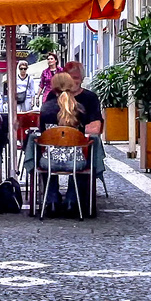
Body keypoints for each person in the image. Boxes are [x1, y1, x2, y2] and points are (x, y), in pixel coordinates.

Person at [35, 72, 94, 215]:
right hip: (75, 162)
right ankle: (71, 201)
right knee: (82, 162)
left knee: (45, 158)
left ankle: (52, 200)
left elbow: (42, 134)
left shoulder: (45, 109)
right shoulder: (79, 109)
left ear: (53, 87)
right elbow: (84, 134)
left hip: (50, 162)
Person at [62, 60, 105, 136]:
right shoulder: (53, 95)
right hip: (55, 142)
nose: (71, 81)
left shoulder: (91, 98)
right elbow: (45, 125)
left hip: (82, 143)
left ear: (82, 79)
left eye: (75, 78)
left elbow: (95, 128)